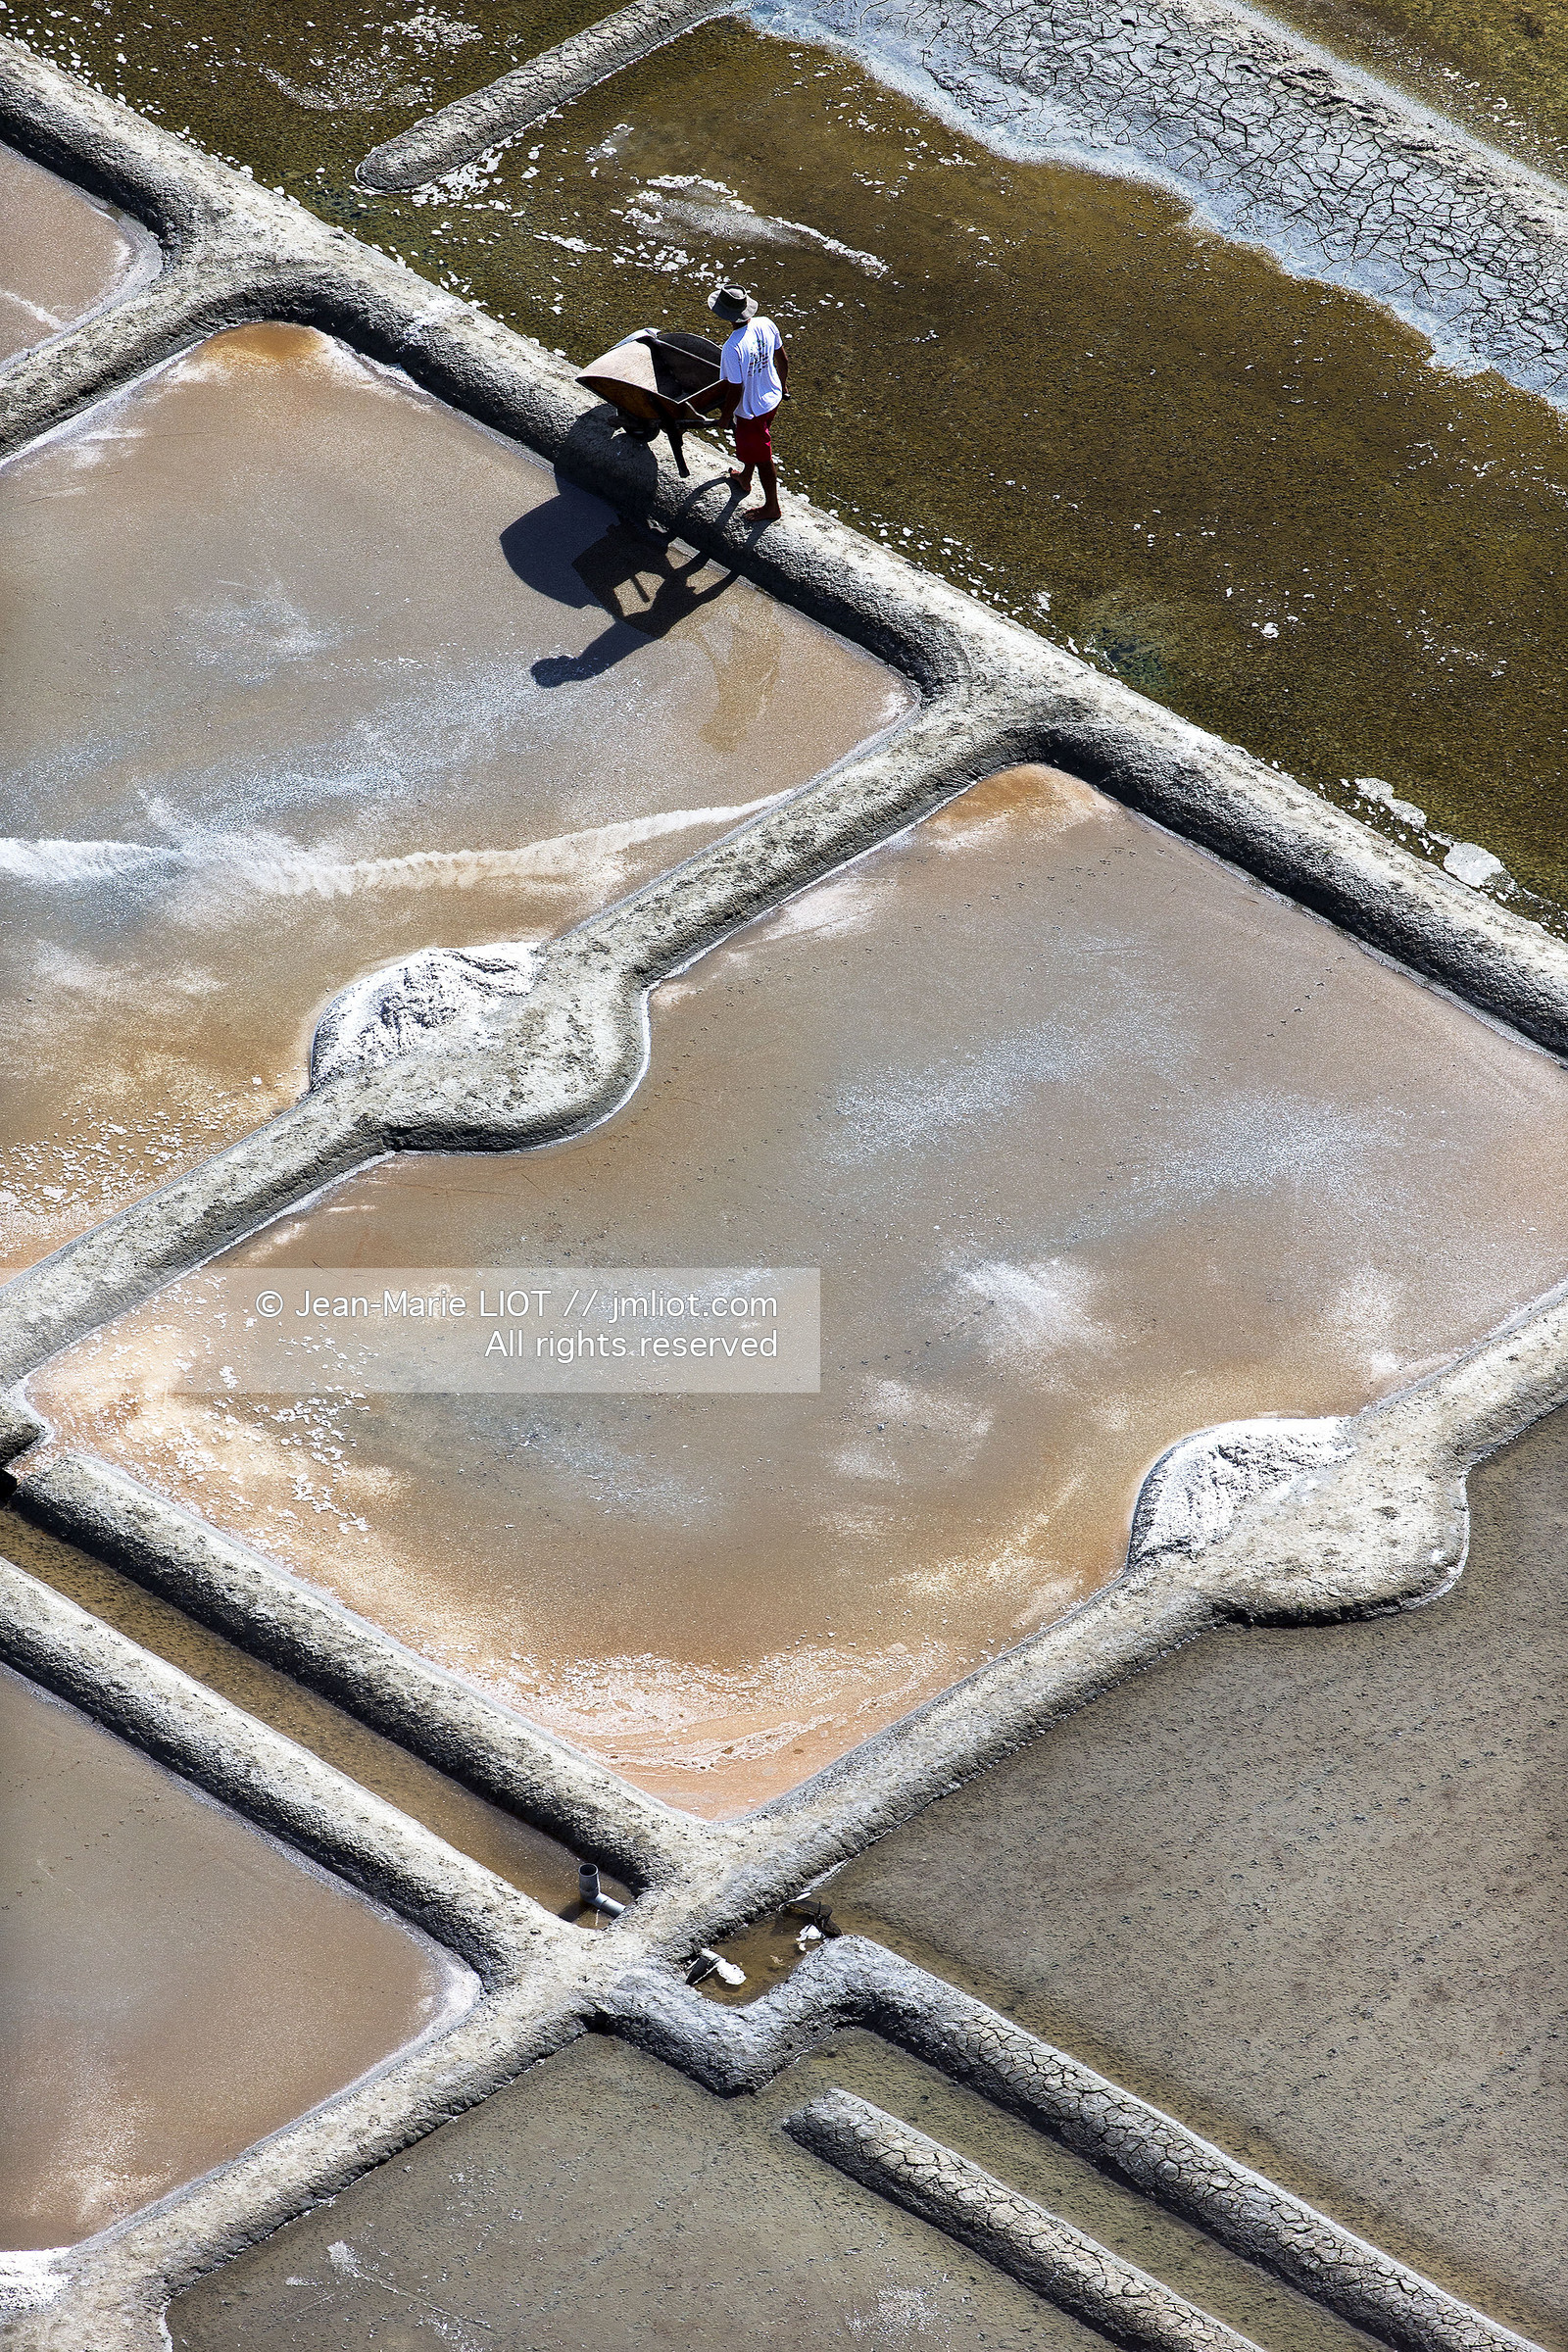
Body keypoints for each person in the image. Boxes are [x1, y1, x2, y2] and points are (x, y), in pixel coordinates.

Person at [705, 284, 789, 521]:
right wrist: (782, 388)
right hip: (771, 397)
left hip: (752, 411)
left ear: (724, 315)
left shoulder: (732, 347)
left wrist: (725, 416)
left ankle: (772, 507)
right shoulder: (765, 323)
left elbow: (735, 388)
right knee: (755, 446)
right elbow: (782, 359)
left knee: (763, 458)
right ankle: (745, 477)